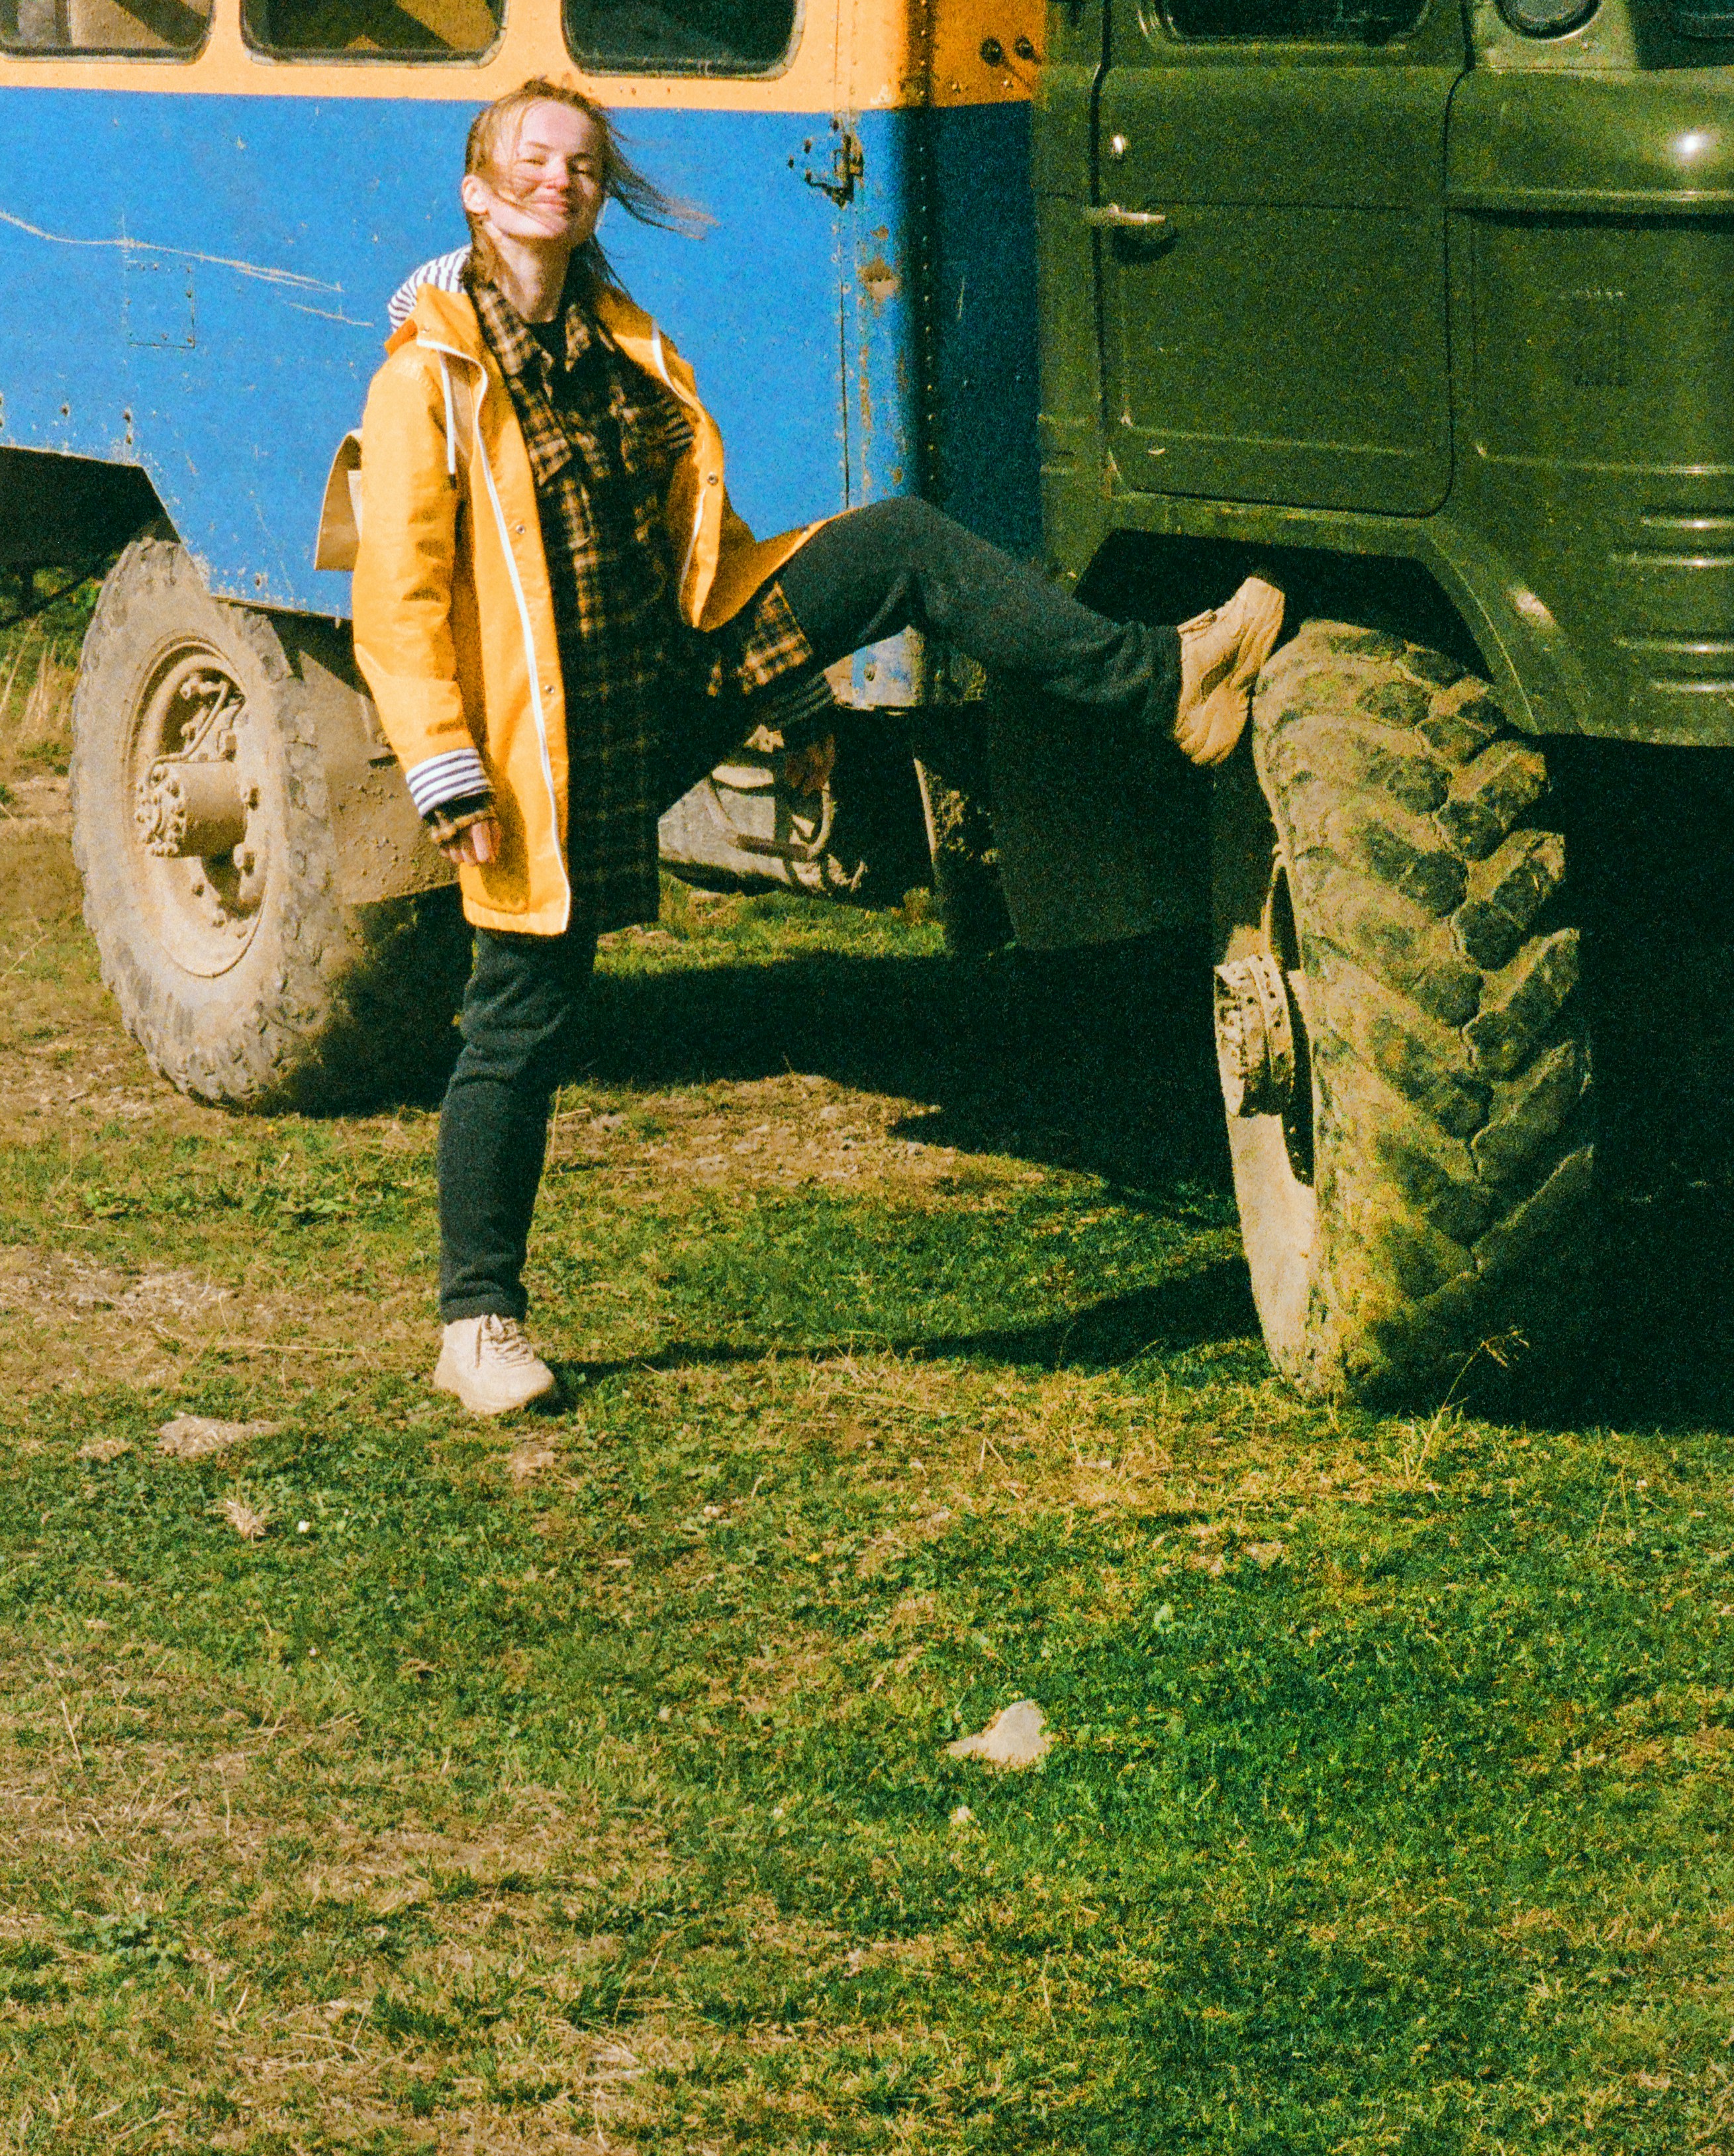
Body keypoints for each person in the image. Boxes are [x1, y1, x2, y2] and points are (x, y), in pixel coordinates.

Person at [350, 78, 1284, 1419]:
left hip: (665, 680)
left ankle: (1167, 679)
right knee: (521, 1016)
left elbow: (697, 551)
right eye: (533, 160)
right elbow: (399, 598)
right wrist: (447, 773)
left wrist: (790, 704)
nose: (560, 180)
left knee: (895, 541)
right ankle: (476, 1322)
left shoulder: (620, 344)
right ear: (477, 189)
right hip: (539, 743)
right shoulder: (427, 375)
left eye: (582, 164)